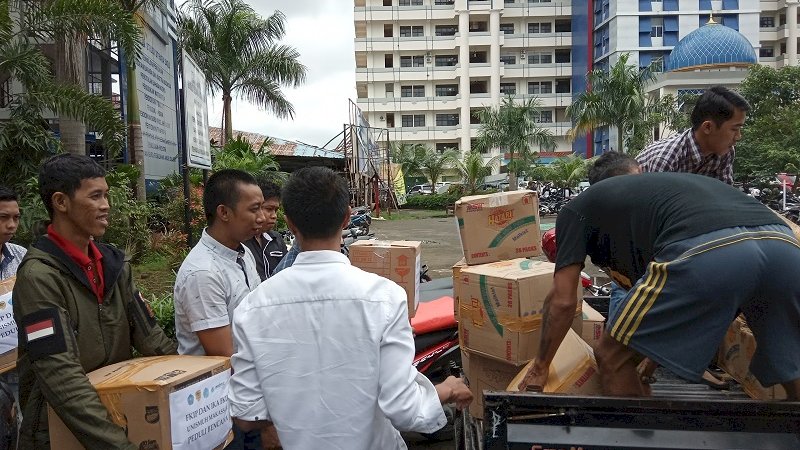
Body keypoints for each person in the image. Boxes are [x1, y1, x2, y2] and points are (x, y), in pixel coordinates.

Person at [228, 167, 472, 449]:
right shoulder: (386, 298)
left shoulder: (252, 307)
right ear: (346, 217)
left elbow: (246, 415)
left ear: (289, 222)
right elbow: (404, 408)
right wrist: (446, 389)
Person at [518, 170, 800, 399]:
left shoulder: (575, 210)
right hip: (784, 245)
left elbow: (564, 300)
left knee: (612, 356)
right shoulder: (650, 206)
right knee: (793, 365)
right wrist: (647, 365)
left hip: (707, 249)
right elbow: (664, 315)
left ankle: (635, 440)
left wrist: (540, 368)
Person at [13, 154, 177, 449]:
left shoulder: (114, 266)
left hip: (118, 416)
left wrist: (190, 389)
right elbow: (61, 377)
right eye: (96, 196)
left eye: (106, 196)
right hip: (56, 432)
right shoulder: (38, 278)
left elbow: (153, 340)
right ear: (61, 202)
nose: (106, 206)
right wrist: (119, 445)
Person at [173, 169, 267, 449]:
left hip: (246, 398)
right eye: (254, 209)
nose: (262, 217)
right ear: (224, 212)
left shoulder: (242, 253)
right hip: (221, 410)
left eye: (262, 207)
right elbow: (225, 356)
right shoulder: (203, 273)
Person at [636, 86, 750, 185]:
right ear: (707, 127)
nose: (738, 136)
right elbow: (656, 206)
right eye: (734, 129)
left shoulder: (725, 153)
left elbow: (723, 195)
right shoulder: (667, 159)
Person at [243, 179, 287, 281]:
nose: (274, 216)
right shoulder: (240, 241)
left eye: (276, 210)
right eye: (269, 209)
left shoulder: (276, 239)